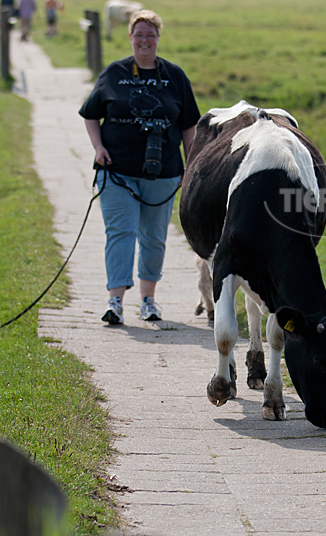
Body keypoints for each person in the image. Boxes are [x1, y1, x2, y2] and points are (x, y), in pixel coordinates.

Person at [79, 9, 200, 324]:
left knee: (154, 236)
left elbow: (189, 125)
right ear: (130, 38)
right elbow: (91, 113)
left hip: (164, 171)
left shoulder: (175, 76)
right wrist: (98, 147)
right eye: (139, 34)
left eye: (151, 35)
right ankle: (115, 302)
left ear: (158, 39)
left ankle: (149, 301)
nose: (144, 40)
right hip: (116, 170)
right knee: (120, 231)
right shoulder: (113, 73)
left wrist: (192, 164)